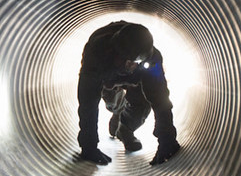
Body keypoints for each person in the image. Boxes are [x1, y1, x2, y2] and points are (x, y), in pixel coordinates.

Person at [77, 20, 180, 165]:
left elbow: (160, 98)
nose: (129, 65)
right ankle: (117, 110)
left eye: (134, 61)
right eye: (125, 60)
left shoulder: (151, 59)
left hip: (136, 80)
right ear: (115, 51)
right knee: (112, 98)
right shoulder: (97, 53)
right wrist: (89, 146)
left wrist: (167, 140)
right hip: (109, 78)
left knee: (144, 102)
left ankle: (125, 127)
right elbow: (87, 101)